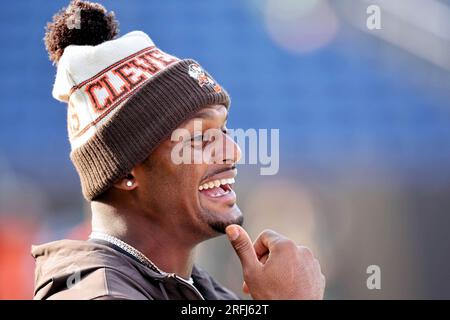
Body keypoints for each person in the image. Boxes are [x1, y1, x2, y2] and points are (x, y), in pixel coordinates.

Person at [32, 0, 325, 300]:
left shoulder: (197, 292)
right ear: (125, 171)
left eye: (222, 130)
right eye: (199, 137)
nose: (233, 151)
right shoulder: (97, 295)